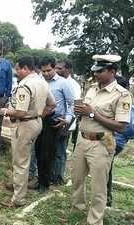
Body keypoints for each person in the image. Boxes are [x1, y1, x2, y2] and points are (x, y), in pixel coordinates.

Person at [71, 55, 132, 225]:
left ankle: (95, 220)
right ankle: (78, 207)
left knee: (99, 186)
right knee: (77, 177)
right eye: (95, 71)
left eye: (100, 71)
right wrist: (80, 110)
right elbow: (86, 111)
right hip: (82, 139)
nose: (96, 74)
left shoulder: (122, 95)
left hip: (102, 142)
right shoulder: (92, 89)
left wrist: (92, 113)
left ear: (112, 72)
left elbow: (121, 127)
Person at [0, 57, 54, 207]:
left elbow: (20, 112)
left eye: (18, 69)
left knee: (20, 162)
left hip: (24, 125)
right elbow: (52, 104)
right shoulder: (42, 81)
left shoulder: (25, 85)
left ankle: (18, 199)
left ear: (25, 68)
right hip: (36, 123)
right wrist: (37, 115)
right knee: (25, 158)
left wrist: (5, 111)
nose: (16, 72)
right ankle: (18, 187)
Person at [36, 57, 74, 193]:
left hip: (54, 121)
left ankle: (45, 183)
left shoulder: (63, 83)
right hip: (39, 119)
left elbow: (71, 104)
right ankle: (39, 179)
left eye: (49, 70)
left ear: (54, 68)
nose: (46, 73)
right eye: (43, 71)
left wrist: (68, 119)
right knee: (38, 151)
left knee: (48, 153)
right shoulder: (38, 82)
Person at [106, 75, 134, 207]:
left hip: (114, 141)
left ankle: (106, 200)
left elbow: (129, 129)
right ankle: (106, 199)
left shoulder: (124, 101)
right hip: (112, 140)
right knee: (106, 168)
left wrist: (113, 125)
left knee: (103, 168)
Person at [54, 59, 81, 184]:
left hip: (66, 123)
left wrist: (66, 124)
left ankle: (58, 177)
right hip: (54, 121)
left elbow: (74, 107)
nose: (57, 70)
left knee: (60, 151)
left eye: (60, 68)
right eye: (56, 68)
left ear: (68, 70)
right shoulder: (56, 82)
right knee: (51, 150)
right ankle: (51, 174)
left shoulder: (73, 85)